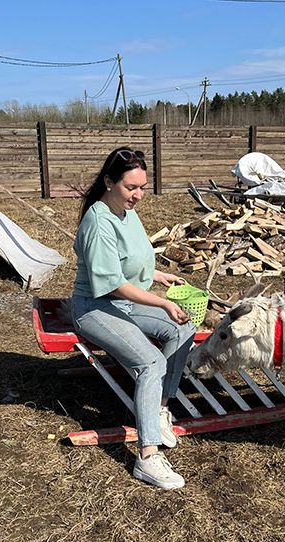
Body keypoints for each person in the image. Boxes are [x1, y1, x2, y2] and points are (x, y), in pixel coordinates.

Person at [70, 146, 195, 490]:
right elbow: (111, 284)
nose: (138, 195)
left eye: (142, 187)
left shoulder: (126, 211)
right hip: (95, 308)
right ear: (109, 182)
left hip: (122, 302)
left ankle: (158, 408)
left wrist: (159, 276)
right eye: (131, 188)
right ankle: (147, 457)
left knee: (182, 328)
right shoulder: (98, 220)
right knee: (150, 362)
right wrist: (161, 302)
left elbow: (130, 260)